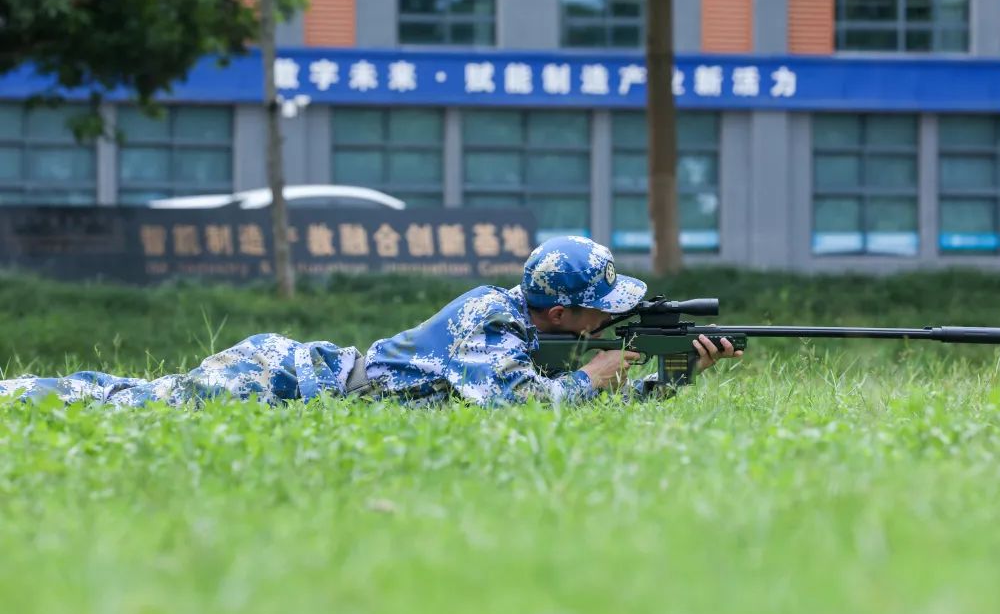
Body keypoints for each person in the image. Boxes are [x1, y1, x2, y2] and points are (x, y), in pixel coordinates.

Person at [0, 236, 741, 408]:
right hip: (287, 379)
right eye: (598, 313)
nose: (606, 322)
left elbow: (565, 406)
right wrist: (589, 375)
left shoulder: (529, 326)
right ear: (558, 312)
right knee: (136, 402)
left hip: (311, 375)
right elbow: (520, 409)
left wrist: (672, 380)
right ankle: (20, 393)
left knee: (139, 396)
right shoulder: (488, 319)